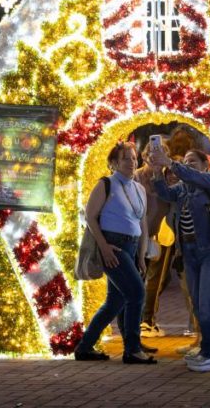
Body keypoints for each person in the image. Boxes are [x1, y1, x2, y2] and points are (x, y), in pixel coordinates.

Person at [74, 141, 157, 365]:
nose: (131, 162)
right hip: (114, 246)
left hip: (132, 246)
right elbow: (90, 217)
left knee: (115, 301)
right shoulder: (106, 184)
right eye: (125, 159)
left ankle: (84, 347)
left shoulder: (139, 188)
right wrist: (104, 247)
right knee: (137, 294)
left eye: (133, 158)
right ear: (114, 163)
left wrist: (141, 255)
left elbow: (143, 223)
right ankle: (132, 349)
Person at [149, 148, 210, 373]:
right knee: (197, 305)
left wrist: (171, 163)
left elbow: (192, 176)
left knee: (208, 306)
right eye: (185, 161)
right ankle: (205, 350)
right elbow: (164, 192)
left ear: (205, 165)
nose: (188, 165)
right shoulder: (183, 188)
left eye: (193, 161)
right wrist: (157, 171)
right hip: (190, 253)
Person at [134, 144, 174, 338]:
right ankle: (144, 321)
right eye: (153, 154)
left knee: (156, 279)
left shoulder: (169, 176)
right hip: (142, 234)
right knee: (144, 279)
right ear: (145, 156)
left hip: (161, 234)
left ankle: (146, 320)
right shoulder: (137, 176)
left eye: (162, 154)